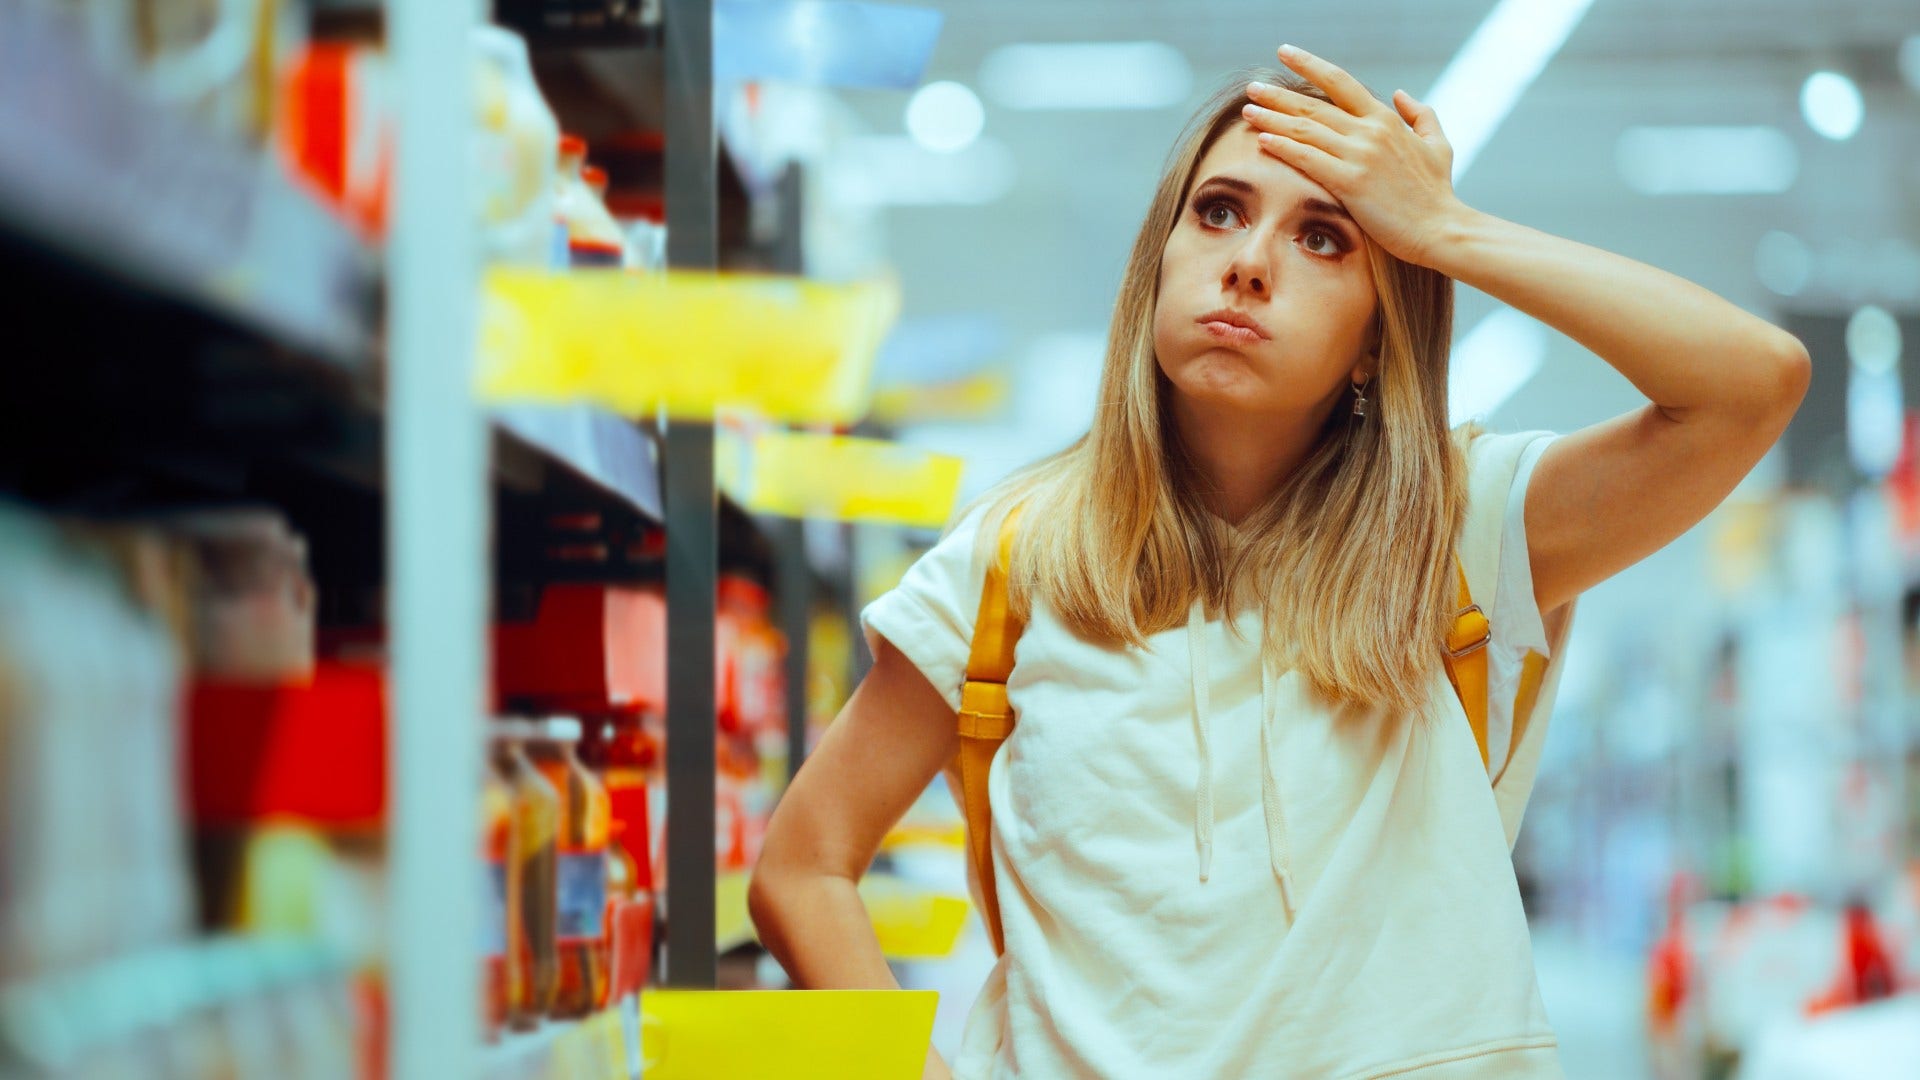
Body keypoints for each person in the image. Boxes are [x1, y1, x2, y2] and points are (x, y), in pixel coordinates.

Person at [750, 44, 1810, 1080]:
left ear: (1376, 341)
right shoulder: (1015, 560)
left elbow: (1750, 386)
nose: (1250, 262)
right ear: (1157, 262)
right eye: (1218, 211)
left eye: (1324, 238)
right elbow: (803, 868)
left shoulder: (1464, 531)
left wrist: (1445, 230)